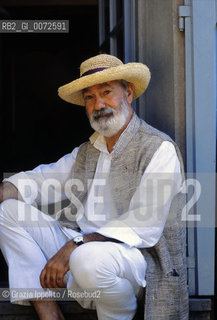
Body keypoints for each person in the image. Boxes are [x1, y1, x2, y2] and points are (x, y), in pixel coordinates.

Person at [0, 54, 188, 320]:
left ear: (129, 92)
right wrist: (4, 191)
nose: (99, 104)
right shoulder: (89, 151)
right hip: (81, 262)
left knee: (88, 259)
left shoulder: (158, 148)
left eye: (107, 92)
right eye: (89, 97)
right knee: (8, 210)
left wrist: (76, 245)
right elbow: (40, 181)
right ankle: (47, 309)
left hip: (133, 266)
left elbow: (144, 224)